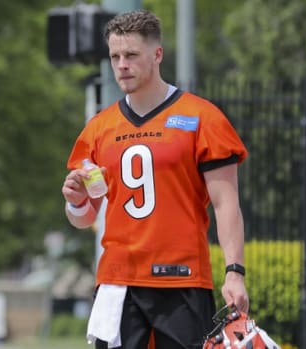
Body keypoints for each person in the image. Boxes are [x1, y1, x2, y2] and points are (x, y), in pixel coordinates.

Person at [61, 9, 249, 349]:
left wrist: (234, 272)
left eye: (131, 55)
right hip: (118, 283)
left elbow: (226, 203)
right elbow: (86, 216)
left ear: (157, 54)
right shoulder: (99, 129)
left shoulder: (202, 117)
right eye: (115, 56)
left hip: (181, 280)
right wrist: (75, 202)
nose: (121, 65)